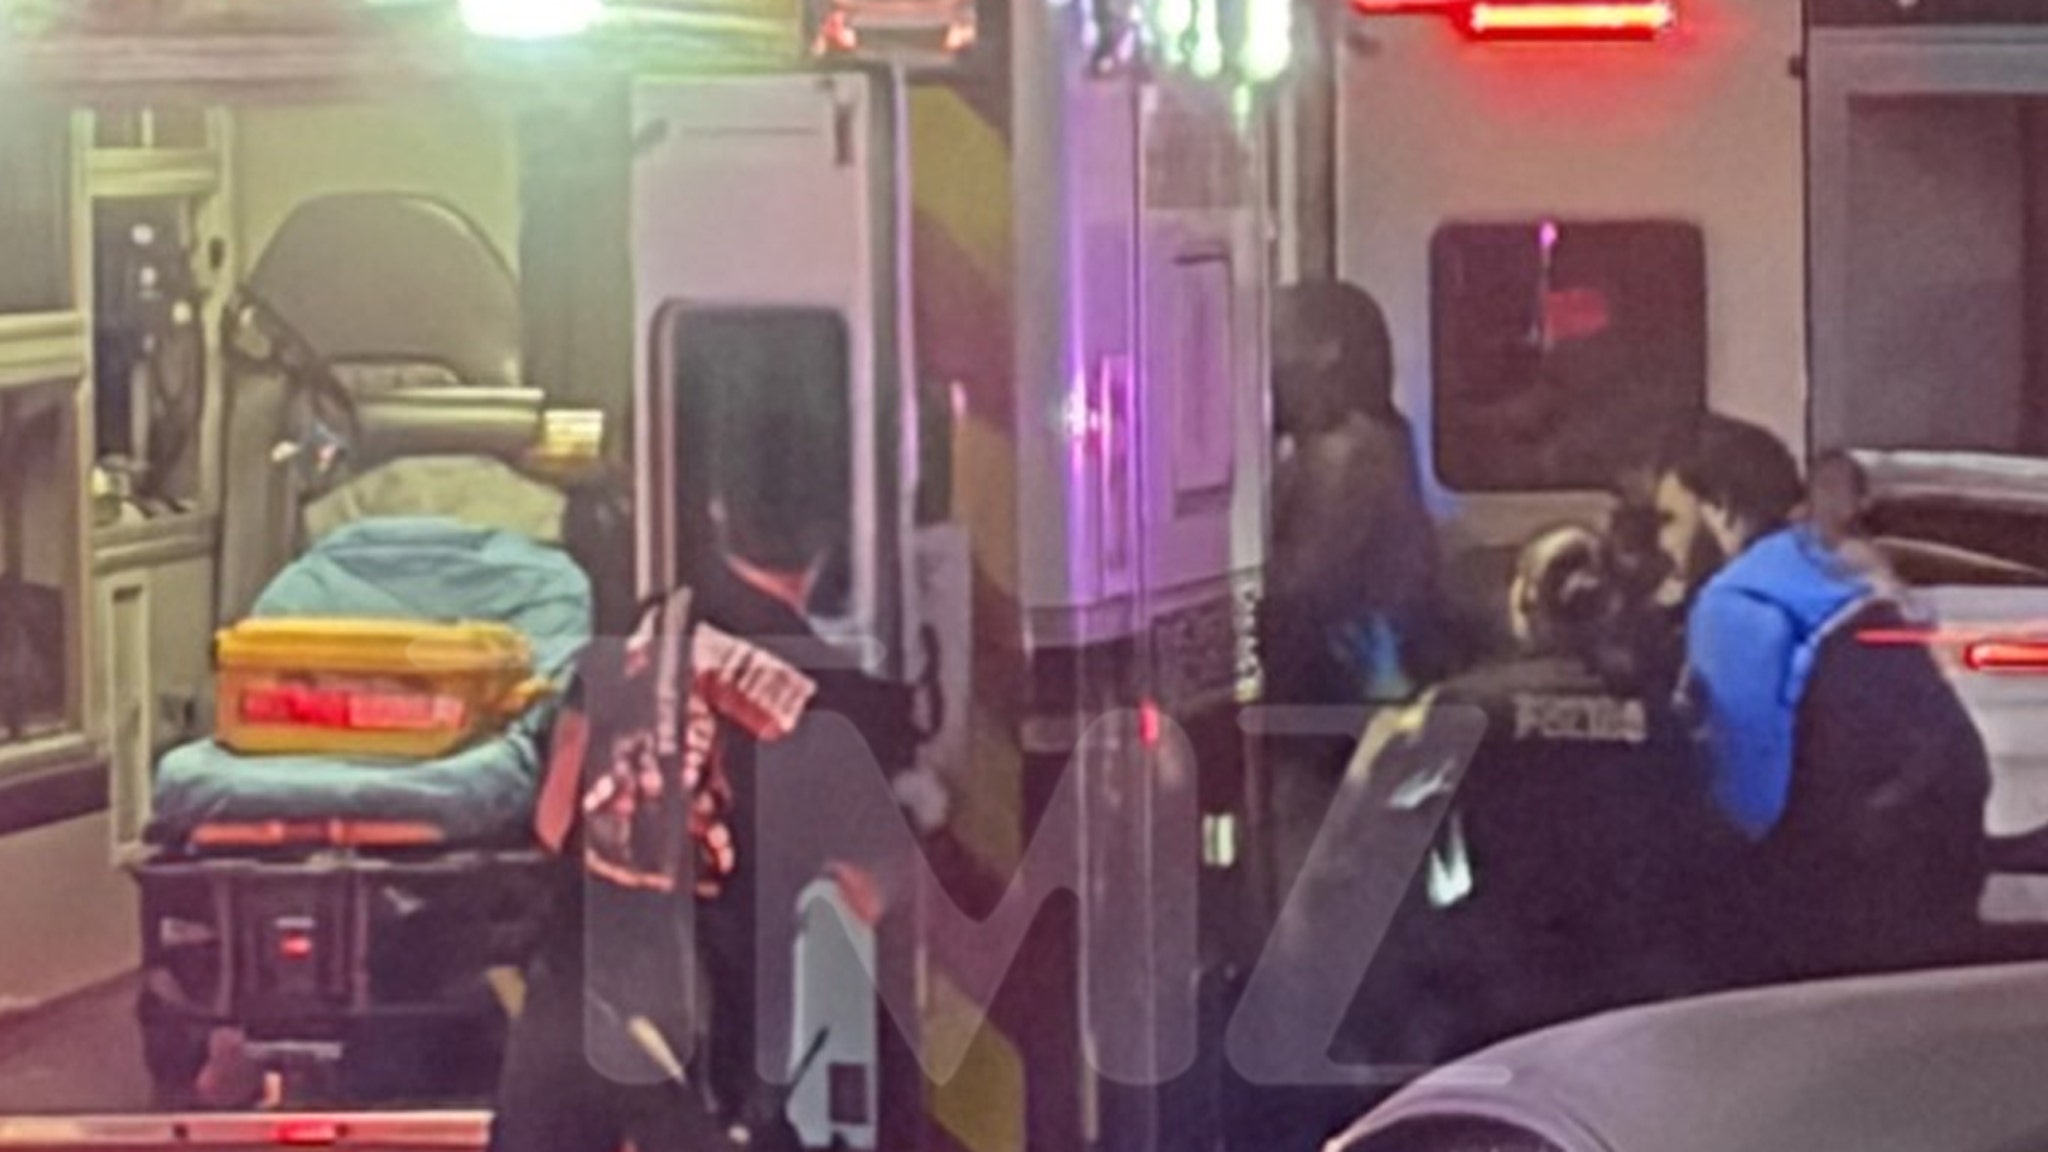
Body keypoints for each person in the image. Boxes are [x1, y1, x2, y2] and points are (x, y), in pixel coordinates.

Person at [491, 410, 931, 1152]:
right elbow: (867, 894)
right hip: (703, 1055)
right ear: (830, 536)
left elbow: (554, 816)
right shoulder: (839, 699)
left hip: (571, 1028)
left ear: (722, 513)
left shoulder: (644, 632)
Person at [1657, 417, 1989, 981]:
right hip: (1940, 854)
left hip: (1845, 895)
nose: (1662, 544)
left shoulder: (1740, 599)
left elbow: (1746, 802)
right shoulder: (1830, 571)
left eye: (1669, 520)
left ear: (1722, 508)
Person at [1260, 279, 1445, 708]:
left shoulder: (1350, 455)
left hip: (1342, 714)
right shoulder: (1378, 441)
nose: (1263, 364)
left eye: (1273, 343)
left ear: (1326, 353)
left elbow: (1296, 594)